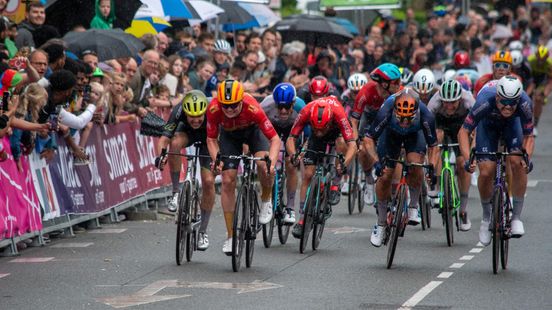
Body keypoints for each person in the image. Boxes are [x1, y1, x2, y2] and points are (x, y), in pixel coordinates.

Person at [206, 80, 281, 254]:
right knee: (227, 180)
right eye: (226, 106)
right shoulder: (214, 109)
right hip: (230, 136)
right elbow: (211, 139)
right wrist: (217, 160)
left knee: (263, 165)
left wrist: (272, 161)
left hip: (254, 132)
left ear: (241, 100)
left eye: (233, 105)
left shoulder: (252, 107)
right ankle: (231, 236)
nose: (230, 109)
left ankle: (266, 199)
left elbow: (275, 140)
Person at [459, 76, 533, 245]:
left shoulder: (525, 103)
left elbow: (529, 136)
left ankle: (515, 218)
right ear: (497, 97)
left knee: (517, 163)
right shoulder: (485, 100)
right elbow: (463, 132)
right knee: (486, 171)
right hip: (487, 126)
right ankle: (486, 218)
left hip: (512, 126)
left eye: (512, 102)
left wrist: (526, 157)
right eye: (504, 102)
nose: (508, 106)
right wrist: (467, 158)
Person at [364, 89, 438, 247]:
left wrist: (432, 167)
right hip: (390, 135)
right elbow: (369, 139)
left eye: (408, 118)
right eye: (401, 118)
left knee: (415, 164)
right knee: (384, 176)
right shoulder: (386, 110)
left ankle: (413, 206)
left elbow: (433, 146)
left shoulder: (426, 115)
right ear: (395, 111)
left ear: (416, 113)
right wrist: (376, 162)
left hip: (414, 136)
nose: (404, 122)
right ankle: (381, 224)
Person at [286, 96, 357, 238]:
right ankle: (301, 220)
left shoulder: (339, 114)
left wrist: (344, 164)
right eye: (315, 128)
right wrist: (293, 155)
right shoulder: (306, 111)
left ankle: (335, 184)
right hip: (315, 139)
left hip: (336, 133)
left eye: (321, 129)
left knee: (341, 143)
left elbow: (353, 145)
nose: (319, 131)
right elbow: (291, 138)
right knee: (307, 174)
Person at [155, 90, 215, 250]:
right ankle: (176, 192)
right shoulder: (179, 110)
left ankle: (202, 231)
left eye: (199, 117)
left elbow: (219, 141)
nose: (195, 120)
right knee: (174, 144)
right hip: (187, 133)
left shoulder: (213, 110)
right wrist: (161, 156)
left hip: (209, 139)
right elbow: (164, 138)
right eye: (191, 117)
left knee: (208, 182)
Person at [350, 63, 402, 206]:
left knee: (395, 153)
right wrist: (354, 140)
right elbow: (354, 121)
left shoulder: (400, 93)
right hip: (371, 117)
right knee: (362, 148)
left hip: (391, 119)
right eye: (396, 82)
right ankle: (368, 180)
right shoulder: (366, 91)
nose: (399, 84)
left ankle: (395, 190)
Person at [427, 79, 475, 230]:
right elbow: (426, 125)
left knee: (462, 164)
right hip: (440, 124)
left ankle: (463, 209)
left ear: (460, 99)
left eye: (452, 102)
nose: (448, 106)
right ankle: (438, 182)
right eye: (445, 102)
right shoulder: (434, 102)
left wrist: (472, 151)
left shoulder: (469, 101)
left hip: (461, 126)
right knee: (437, 139)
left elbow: (478, 127)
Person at [260, 83, 307, 225]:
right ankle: (267, 198)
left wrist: (301, 153)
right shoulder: (265, 106)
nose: (284, 111)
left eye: (287, 107)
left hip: (292, 132)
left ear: (293, 103)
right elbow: (256, 130)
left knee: (291, 164)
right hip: (271, 128)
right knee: (265, 162)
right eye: (280, 107)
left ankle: (290, 207)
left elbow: (308, 135)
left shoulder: (301, 107)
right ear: (275, 103)